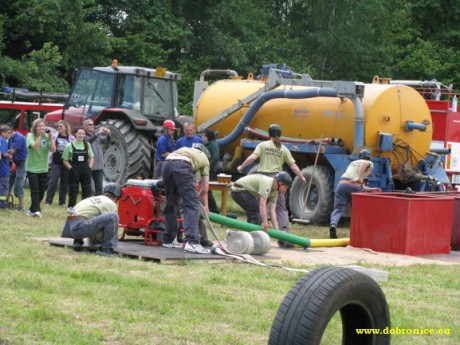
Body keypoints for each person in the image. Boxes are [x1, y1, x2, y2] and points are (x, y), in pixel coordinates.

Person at [237, 124, 306, 246]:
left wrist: (241, 167)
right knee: (280, 209)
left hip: (263, 180)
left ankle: (256, 236)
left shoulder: (262, 145)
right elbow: (293, 166)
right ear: (280, 135)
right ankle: (284, 238)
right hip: (278, 181)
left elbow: (252, 158)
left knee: (259, 208)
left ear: (269, 134)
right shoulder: (283, 149)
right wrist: (301, 177)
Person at [161, 144, 211, 254]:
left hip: (166, 164)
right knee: (191, 205)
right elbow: (205, 188)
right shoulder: (205, 159)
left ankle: (169, 240)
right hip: (182, 166)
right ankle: (192, 242)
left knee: (171, 202)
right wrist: (204, 204)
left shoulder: (185, 149)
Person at [329, 149, 382, 239]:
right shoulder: (368, 163)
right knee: (356, 210)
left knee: (338, 209)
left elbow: (361, 186)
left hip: (342, 184)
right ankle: (357, 233)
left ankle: (333, 225)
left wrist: (373, 189)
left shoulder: (353, 163)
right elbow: (365, 164)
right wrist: (358, 176)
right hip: (354, 187)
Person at [61, 183, 122, 257]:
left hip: (69, 227)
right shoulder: (110, 203)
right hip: (79, 228)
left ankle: (78, 242)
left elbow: (75, 212)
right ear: (116, 198)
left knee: (90, 216)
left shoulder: (92, 199)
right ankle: (106, 249)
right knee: (113, 217)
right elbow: (111, 224)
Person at [25, 119, 56, 217]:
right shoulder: (30, 136)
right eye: (39, 126)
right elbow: (34, 146)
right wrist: (40, 136)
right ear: (35, 128)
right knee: (35, 190)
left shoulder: (46, 136)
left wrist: (51, 138)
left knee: (41, 193)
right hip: (32, 168)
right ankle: (37, 211)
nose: (42, 128)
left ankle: (31, 210)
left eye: (43, 126)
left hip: (43, 168)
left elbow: (53, 150)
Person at [45, 120, 75, 206]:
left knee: (65, 183)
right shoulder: (54, 136)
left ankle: (62, 201)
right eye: (58, 126)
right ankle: (48, 201)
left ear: (66, 127)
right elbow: (51, 147)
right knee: (53, 182)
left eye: (61, 126)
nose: (59, 128)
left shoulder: (71, 138)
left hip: (66, 163)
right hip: (56, 162)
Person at [63, 127, 94, 207]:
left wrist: (89, 167)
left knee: (87, 190)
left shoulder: (87, 145)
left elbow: (91, 157)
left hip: (85, 170)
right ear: (75, 134)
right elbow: (65, 160)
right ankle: (71, 208)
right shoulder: (69, 146)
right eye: (79, 133)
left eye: (83, 134)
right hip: (74, 170)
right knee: (73, 190)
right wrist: (71, 169)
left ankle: (85, 208)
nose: (81, 135)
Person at [84, 119, 110, 196]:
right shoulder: (83, 136)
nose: (92, 126)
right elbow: (87, 142)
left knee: (99, 186)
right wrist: (98, 133)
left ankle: (98, 201)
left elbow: (107, 142)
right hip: (90, 165)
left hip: (99, 166)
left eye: (93, 124)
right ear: (85, 127)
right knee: (90, 187)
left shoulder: (97, 136)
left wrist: (108, 135)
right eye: (90, 125)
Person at [8, 127, 28, 211]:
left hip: (20, 163)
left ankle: (21, 207)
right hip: (13, 162)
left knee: (18, 185)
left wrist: (2, 151)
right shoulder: (11, 137)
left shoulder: (18, 138)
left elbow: (11, 151)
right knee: (8, 182)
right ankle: (5, 203)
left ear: (10, 132)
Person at [202, 128, 220, 214]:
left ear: (207, 137)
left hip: (210, 171)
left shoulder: (213, 145)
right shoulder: (206, 144)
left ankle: (215, 210)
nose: (202, 137)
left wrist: (207, 165)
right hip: (205, 170)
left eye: (203, 136)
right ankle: (208, 208)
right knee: (205, 190)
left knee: (207, 190)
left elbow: (216, 157)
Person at [0, 125, 12, 209]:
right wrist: (9, 155)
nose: (10, 134)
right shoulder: (3, 140)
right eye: (8, 132)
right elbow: (4, 153)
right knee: (4, 189)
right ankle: (3, 205)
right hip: (3, 169)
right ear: (3, 133)